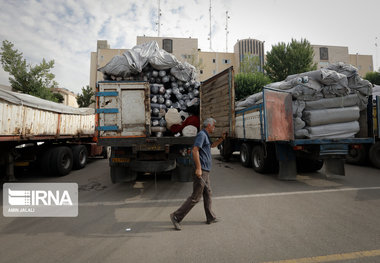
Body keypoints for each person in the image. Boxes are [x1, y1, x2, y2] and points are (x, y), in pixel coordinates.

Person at [170, 118, 227, 230]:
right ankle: (176, 216)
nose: (214, 128)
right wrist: (199, 169)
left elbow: (212, 146)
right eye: (213, 126)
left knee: (208, 193)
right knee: (195, 197)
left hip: (206, 170)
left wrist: (221, 139)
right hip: (202, 170)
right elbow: (195, 150)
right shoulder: (201, 135)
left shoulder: (205, 135)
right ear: (209, 125)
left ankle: (210, 217)